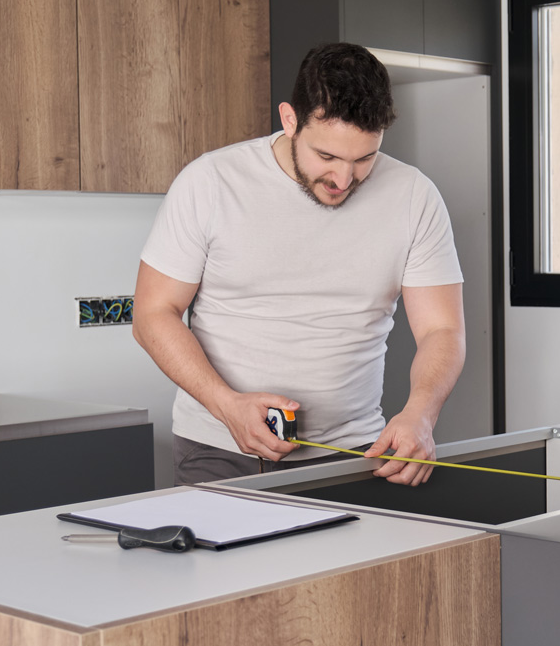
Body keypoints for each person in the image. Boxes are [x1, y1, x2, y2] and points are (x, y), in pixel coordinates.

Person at [132, 43, 466, 487]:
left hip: (355, 453)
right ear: (290, 120)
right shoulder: (210, 182)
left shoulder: (414, 197)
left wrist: (420, 415)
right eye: (326, 156)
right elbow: (153, 314)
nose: (343, 180)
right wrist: (227, 405)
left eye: (364, 158)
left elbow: (442, 330)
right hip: (220, 448)